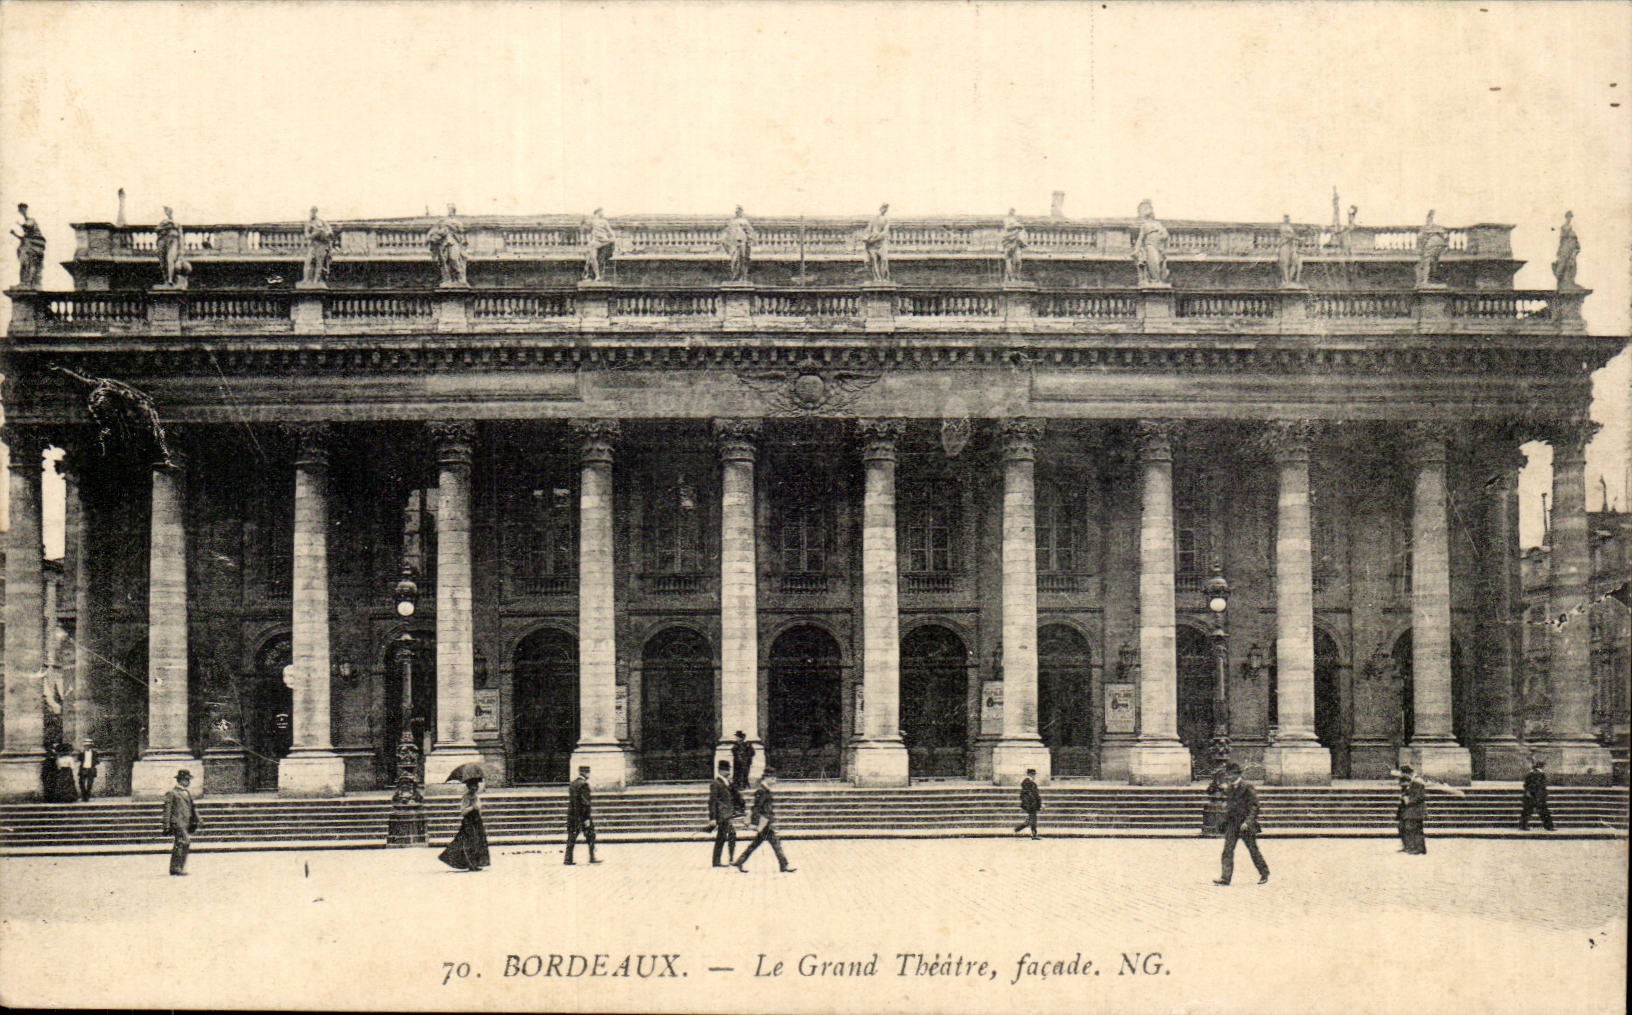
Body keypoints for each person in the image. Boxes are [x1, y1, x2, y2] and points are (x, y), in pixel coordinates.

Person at [1214, 763, 1269, 885]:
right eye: (1227, 774)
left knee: (1253, 850)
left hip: (1244, 825)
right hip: (1232, 824)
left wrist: (1248, 822)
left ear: (1236, 774)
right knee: (1227, 850)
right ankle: (1225, 878)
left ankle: (1264, 873)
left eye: (1229, 774)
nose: (1227, 776)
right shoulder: (1230, 788)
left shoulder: (1247, 787)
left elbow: (1255, 806)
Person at [733, 768, 795, 874]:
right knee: (774, 844)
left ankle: (740, 861)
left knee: (759, 844)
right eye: (773, 778)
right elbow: (757, 808)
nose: (775, 781)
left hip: (766, 821)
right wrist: (756, 823)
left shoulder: (764, 790)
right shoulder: (762, 791)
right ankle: (784, 865)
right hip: (765, 822)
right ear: (767, 778)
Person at [438, 776, 490, 871]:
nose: (475, 788)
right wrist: (472, 807)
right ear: (469, 787)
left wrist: (477, 808)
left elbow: (479, 809)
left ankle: (475, 863)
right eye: (473, 786)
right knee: (468, 842)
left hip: (477, 821)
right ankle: (469, 864)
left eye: (476, 786)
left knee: (477, 842)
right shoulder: (466, 797)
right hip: (468, 822)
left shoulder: (475, 797)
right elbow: (463, 811)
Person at [162, 769, 200, 876]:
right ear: (181, 780)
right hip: (177, 822)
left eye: (189, 780)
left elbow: (192, 807)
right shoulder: (172, 793)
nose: (188, 782)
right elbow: (167, 810)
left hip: (186, 822)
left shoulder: (186, 792)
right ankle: (176, 867)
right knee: (184, 841)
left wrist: (197, 819)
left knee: (181, 843)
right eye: (187, 780)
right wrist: (166, 825)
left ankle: (178, 867)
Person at [708, 759, 742, 868]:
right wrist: (713, 818)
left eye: (728, 769)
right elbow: (712, 801)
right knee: (728, 835)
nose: (728, 772)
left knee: (723, 837)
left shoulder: (727, 782)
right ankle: (724, 860)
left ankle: (719, 860)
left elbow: (735, 796)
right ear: (720, 771)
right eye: (726, 770)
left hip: (727, 814)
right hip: (722, 815)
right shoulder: (715, 783)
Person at [425, 206, 468, 286]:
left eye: (451, 210)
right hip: (444, 244)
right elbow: (435, 231)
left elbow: (461, 232)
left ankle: (459, 277)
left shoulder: (457, 222)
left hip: (453, 242)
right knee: (445, 261)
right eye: (449, 210)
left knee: (453, 258)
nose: (450, 212)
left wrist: (450, 227)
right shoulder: (443, 222)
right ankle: (448, 279)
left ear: (454, 211)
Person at [565, 764, 598, 865]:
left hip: (572, 815)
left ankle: (568, 859)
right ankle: (592, 857)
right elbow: (585, 803)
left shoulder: (573, 784)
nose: (589, 774)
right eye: (588, 772)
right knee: (591, 835)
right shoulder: (584, 784)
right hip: (582, 816)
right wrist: (587, 818)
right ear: (585, 773)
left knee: (571, 837)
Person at [1133, 199, 1169, 285]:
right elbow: (1140, 238)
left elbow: (1165, 234)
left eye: (1149, 208)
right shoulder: (1145, 225)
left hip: (1159, 246)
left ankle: (1158, 280)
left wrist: (1163, 236)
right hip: (1150, 245)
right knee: (1153, 262)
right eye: (1145, 209)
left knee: (1160, 263)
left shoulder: (1158, 224)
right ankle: (1155, 280)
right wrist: (1136, 250)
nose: (1149, 210)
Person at [11, 202, 46, 289]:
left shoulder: (31, 221)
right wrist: (15, 234)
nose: (20, 211)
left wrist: (20, 223)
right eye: (20, 210)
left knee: (29, 264)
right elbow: (24, 237)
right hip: (28, 246)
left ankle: (28, 283)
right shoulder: (28, 223)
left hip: (32, 247)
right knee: (25, 264)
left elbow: (28, 227)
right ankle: (25, 282)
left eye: (22, 209)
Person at [1395, 764, 1428, 854]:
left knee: (1415, 828)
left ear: (1408, 773)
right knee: (1405, 827)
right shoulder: (1411, 781)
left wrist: (1408, 800)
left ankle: (1418, 848)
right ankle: (1409, 846)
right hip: (1409, 809)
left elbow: (1419, 796)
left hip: (1415, 809)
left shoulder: (1417, 781)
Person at [155, 206, 190, 287]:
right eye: (165, 211)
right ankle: (166, 280)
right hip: (162, 242)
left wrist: (181, 251)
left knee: (170, 260)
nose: (166, 212)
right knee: (163, 263)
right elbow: (157, 230)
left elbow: (181, 238)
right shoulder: (162, 223)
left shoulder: (177, 224)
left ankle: (170, 280)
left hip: (172, 242)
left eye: (167, 211)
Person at [302, 206, 336, 285]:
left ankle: (316, 280)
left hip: (322, 245)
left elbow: (330, 233)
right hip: (313, 245)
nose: (312, 213)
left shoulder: (322, 222)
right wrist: (315, 234)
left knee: (319, 263)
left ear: (316, 212)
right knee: (308, 261)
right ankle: (306, 279)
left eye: (314, 211)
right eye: (311, 211)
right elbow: (307, 235)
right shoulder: (308, 224)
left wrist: (324, 233)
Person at [1414, 209, 1448, 287]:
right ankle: (1428, 280)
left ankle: (1425, 280)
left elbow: (1420, 238)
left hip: (1432, 245)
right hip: (1438, 244)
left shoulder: (1427, 228)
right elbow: (1445, 236)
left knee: (1427, 262)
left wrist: (1419, 247)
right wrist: (1445, 245)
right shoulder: (1437, 228)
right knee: (1432, 262)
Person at [1520, 759, 1554, 832]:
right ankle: (1548, 826)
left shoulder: (1530, 774)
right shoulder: (1540, 774)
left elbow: (1526, 785)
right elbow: (1543, 785)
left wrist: (1528, 792)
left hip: (1532, 795)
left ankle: (1523, 825)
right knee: (1543, 811)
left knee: (1528, 811)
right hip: (1538, 795)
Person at [723, 206, 756, 281]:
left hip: (742, 242)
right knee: (735, 259)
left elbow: (749, 231)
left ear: (741, 212)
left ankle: (741, 277)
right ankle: (735, 275)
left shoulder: (744, 222)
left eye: (738, 211)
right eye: (736, 211)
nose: (737, 213)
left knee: (742, 259)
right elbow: (727, 232)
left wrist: (749, 240)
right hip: (734, 242)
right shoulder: (731, 222)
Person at [583, 208, 615, 281]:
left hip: (604, 241)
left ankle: (595, 275)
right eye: (601, 212)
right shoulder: (592, 221)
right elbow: (587, 229)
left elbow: (610, 231)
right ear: (598, 213)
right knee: (592, 258)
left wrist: (613, 238)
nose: (603, 213)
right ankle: (597, 275)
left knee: (597, 258)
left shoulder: (604, 222)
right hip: (595, 242)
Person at [861, 203, 890, 282]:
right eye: (883, 208)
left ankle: (883, 277)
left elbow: (885, 232)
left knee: (883, 260)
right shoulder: (874, 219)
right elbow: (868, 229)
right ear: (880, 208)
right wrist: (867, 238)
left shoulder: (886, 220)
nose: (884, 210)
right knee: (874, 261)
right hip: (872, 243)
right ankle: (877, 278)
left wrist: (876, 238)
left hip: (880, 242)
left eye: (886, 208)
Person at [1551, 211, 1579, 291]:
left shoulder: (1572, 230)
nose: (1569, 219)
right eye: (1568, 217)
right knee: (1563, 263)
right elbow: (1562, 238)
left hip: (1571, 248)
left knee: (1572, 265)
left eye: (1571, 217)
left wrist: (1575, 248)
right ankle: (1561, 279)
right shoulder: (1564, 227)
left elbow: (1576, 242)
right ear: (1566, 217)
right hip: (1565, 248)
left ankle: (1570, 282)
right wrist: (1560, 249)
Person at [1001, 208, 1028, 282]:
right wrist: (1017, 226)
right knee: (1009, 259)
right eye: (1011, 211)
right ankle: (1011, 277)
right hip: (1008, 241)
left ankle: (1017, 275)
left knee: (1018, 260)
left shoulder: (1016, 220)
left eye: (1013, 211)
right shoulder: (1007, 219)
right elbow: (1007, 227)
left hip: (1017, 241)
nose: (1013, 213)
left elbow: (1022, 230)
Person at [1014, 767, 1042, 839]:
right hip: (1031, 804)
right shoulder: (1027, 782)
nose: (1034, 776)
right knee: (1032, 819)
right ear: (1029, 774)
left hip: (1032, 804)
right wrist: (1033, 803)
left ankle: (1020, 829)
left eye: (1034, 774)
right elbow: (1029, 795)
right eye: (1033, 774)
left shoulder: (1030, 782)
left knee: (1032, 819)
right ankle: (1021, 829)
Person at [1276, 214, 1302, 286]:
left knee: (1294, 262)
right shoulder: (1283, 227)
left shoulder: (1289, 227)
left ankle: (1290, 279)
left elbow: (1292, 235)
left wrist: (1296, 238)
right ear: (1283, 219)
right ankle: (1286, 280)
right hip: (1285, 245)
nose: (1287, 220)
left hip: (1291, 245)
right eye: (1285, 218)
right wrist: (1297, 238)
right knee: (1285, 262)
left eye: (1288, 218)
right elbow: (1287, 235)